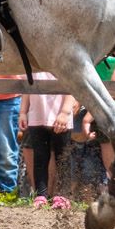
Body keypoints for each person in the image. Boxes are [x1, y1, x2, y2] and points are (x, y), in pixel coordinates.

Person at [19, 71, 75, 209]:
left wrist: (65, 112)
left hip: (60, 118)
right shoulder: (32, 65)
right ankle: (41, 195)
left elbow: (72, 86)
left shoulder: (63, 62)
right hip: (37, 115)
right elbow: (27, 87)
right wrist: (23, 112)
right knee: (40, 158)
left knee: (62, 158)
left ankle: (62, 195)